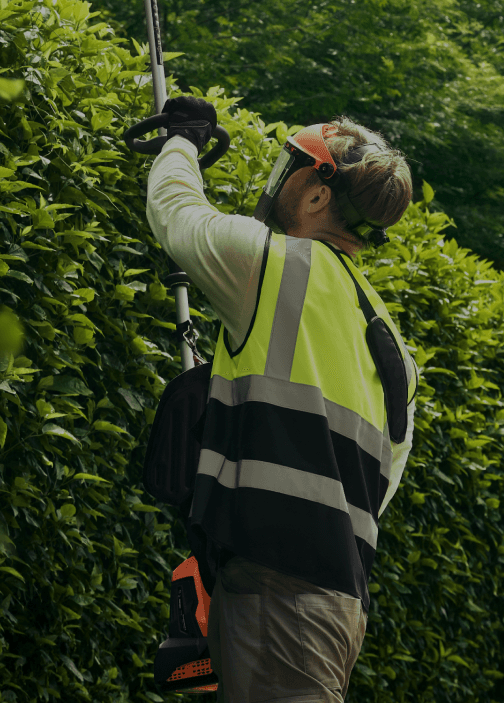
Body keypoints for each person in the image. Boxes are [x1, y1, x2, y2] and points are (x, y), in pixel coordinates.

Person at [146, 97, 418, 703]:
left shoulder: (269, 263)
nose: (274, 184)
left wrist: (182, 141)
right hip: (335, 599)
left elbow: (176, 213)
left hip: (279, 593)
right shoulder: (392, 346)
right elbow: (379, 486)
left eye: (286, 170)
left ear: (317, 195)